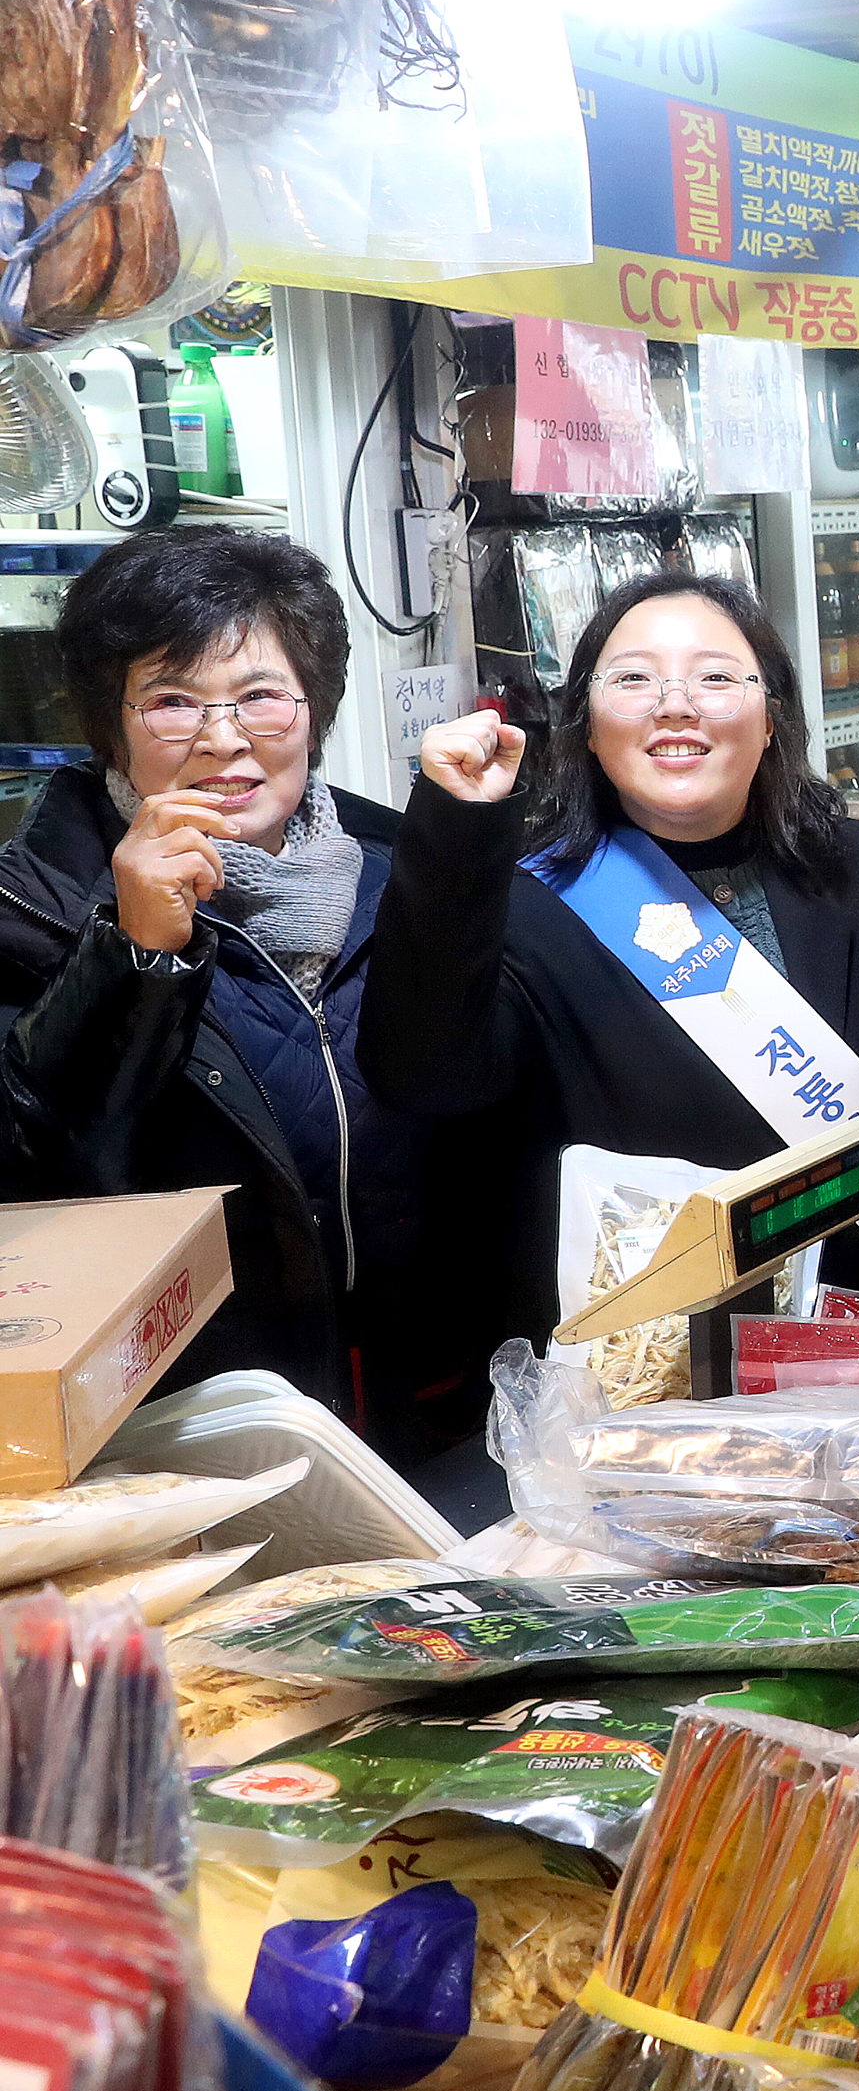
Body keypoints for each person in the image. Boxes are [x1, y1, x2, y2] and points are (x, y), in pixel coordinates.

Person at [364, 572, 859, 1417]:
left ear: (772, 719)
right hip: (650, 1399)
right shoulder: (524, 906)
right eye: (633, 678)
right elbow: (424, 1073)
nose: (675, 704)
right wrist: (454, 826)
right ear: (586, 727)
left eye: (716, 677)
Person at [0, 530, 505, 1452]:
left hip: (430, 1419)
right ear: (111, 722)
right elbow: (47, 1184)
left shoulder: (399, 873)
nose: (224, 739)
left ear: (313, 709)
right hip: (189, 1437)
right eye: (172, 702)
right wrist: (136, 950)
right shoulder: (31, 908)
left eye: (262, 697)